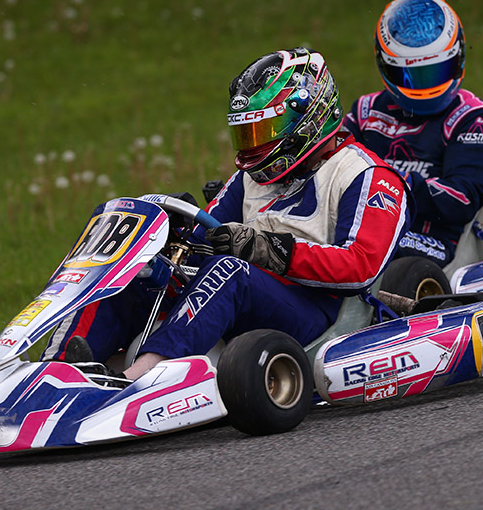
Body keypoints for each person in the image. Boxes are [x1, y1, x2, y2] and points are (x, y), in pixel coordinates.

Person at [45, 47, 412, 380]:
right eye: (247, 134)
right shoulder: (251, 178)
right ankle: (56, 371)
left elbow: (361, 267)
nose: (254, 145)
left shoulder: (367, 176)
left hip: (312, 311)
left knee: (230, 271)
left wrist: (270, 250)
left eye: (265, 130)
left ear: (309, 118)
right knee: (133, 273)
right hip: (245, 296)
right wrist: (168, 236)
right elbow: (205, 235)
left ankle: (137, 379)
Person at [343, 0, 483, 267]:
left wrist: (392, 185)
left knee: (375, 245)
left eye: (436, 72)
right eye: (411, 77)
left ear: (458, 57)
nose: (424, 88)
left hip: (434, 244)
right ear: (385, 65)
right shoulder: (366, 112)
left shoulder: (474, 121)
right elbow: (328, 166)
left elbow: (462, 198)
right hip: (360, 227)